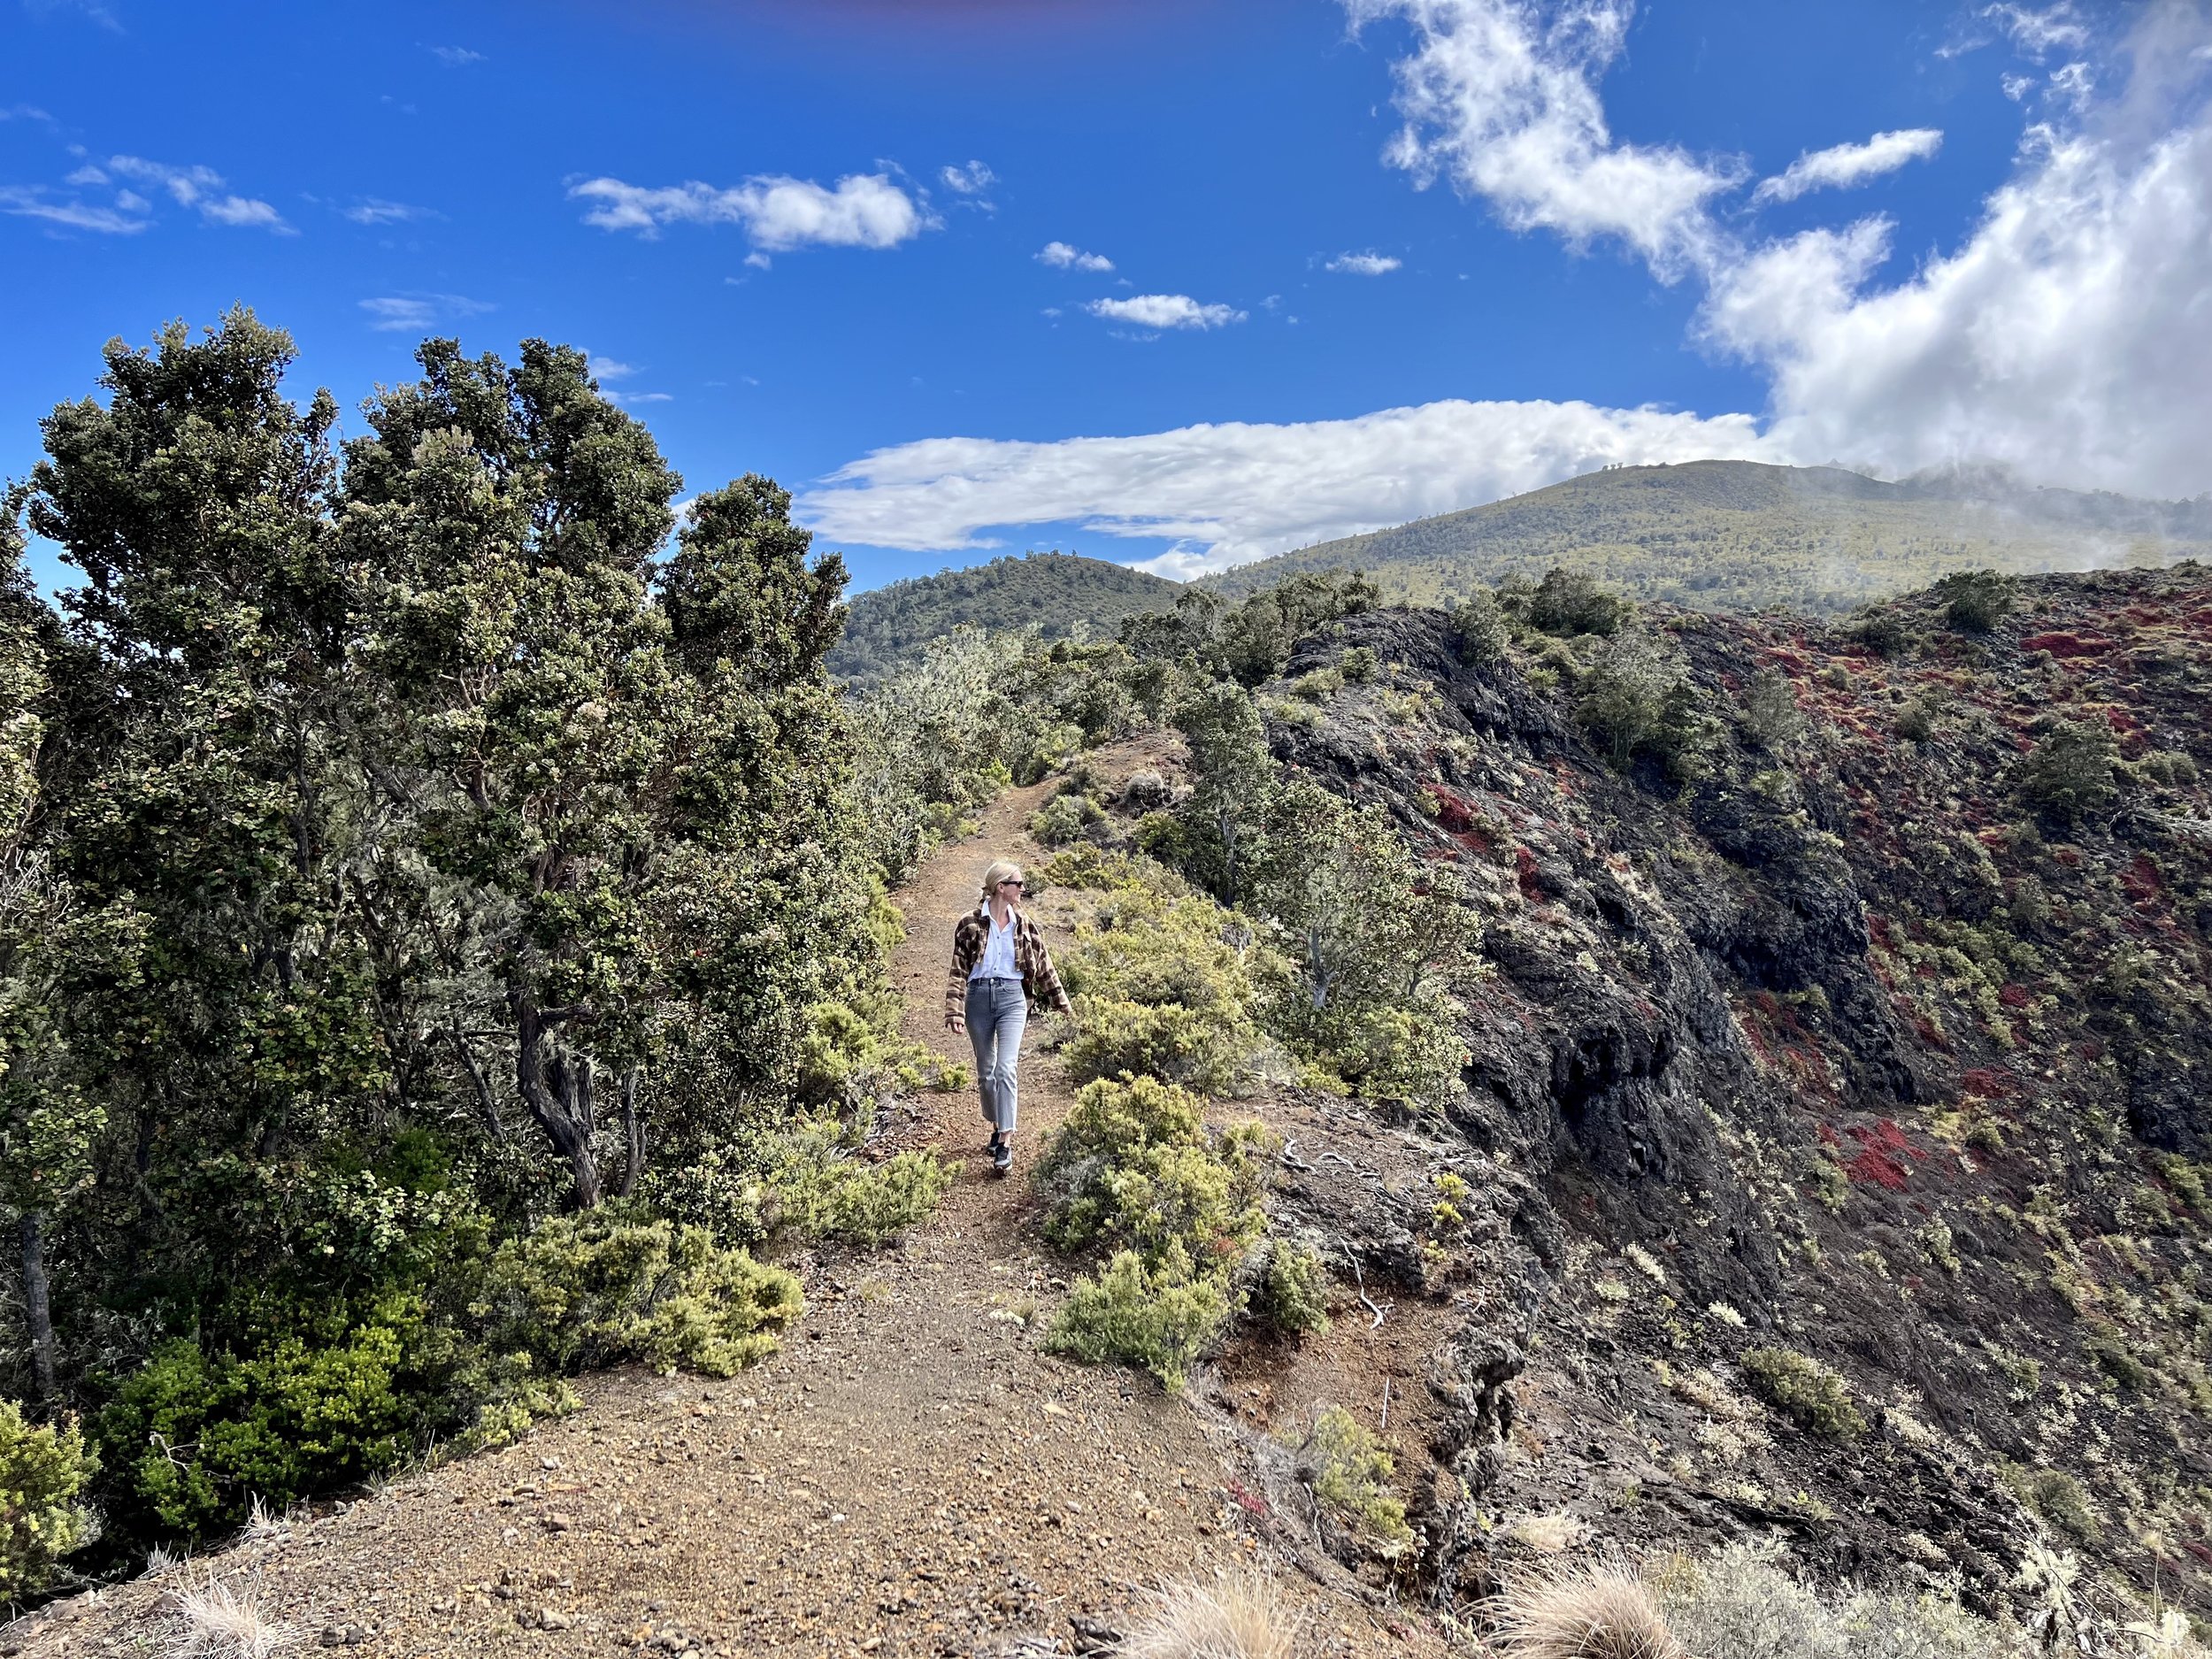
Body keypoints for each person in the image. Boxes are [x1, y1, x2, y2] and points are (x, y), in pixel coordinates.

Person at [944, 858, 1073, 1173]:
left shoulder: (1025, 924)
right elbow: (959, 970)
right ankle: (997, 1121)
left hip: (1013, 999)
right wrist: (954, 1010)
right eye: (1019, 884)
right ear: (1001, 887)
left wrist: (1064, 1006)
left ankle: (1005, 1141)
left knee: (1006, 1068)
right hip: (978, 999)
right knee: (986, 1073)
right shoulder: (969, 923)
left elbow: (1045, 967)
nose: (1023, 890)